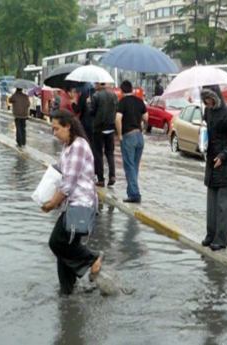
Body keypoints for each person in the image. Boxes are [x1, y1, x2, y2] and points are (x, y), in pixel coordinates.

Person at [42, 110, 103, 295]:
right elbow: (60, 172)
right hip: (71, 204)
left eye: (57, 129)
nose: (55, 133)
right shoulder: (67, 146)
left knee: (56, 242)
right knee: (65, 251)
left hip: (81, 204)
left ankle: (93, 258)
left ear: (68, 126)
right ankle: (67, 291)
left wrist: (52, 203)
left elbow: (69, 183)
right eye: (52, 129)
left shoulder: (78, 146)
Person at [200, 85, 227, 251]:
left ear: (216, 97)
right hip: (211, 162)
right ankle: (211, 235)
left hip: (226, 166)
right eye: (205, 100)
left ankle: (221, 239)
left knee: (223, 206)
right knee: (212, 205)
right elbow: (207, 131)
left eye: (209, 99)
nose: (208, 103)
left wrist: (223, 156)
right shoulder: (208, 111)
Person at [116, 80, 148, 203]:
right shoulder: (140, 101)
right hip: (139, 136)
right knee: (134, 166)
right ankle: (131, 192)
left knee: (129, 166)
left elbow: (118, 119)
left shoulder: (122, 102)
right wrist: (143, 129)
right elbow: (146, 117)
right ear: (131, 89)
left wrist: (119, 135)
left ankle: (135, 194)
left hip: (128, 136)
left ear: (122, 90)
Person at [89, 83, 118, 187]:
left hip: (99, 129)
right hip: (110, 128)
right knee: (110, 153)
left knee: (98, 153)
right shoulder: (114, 95)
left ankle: (101, 179)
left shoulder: (96, 96)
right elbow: (116, 110)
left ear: (98, 84)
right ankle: (112, 176)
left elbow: (92, 112)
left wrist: (89, 104)